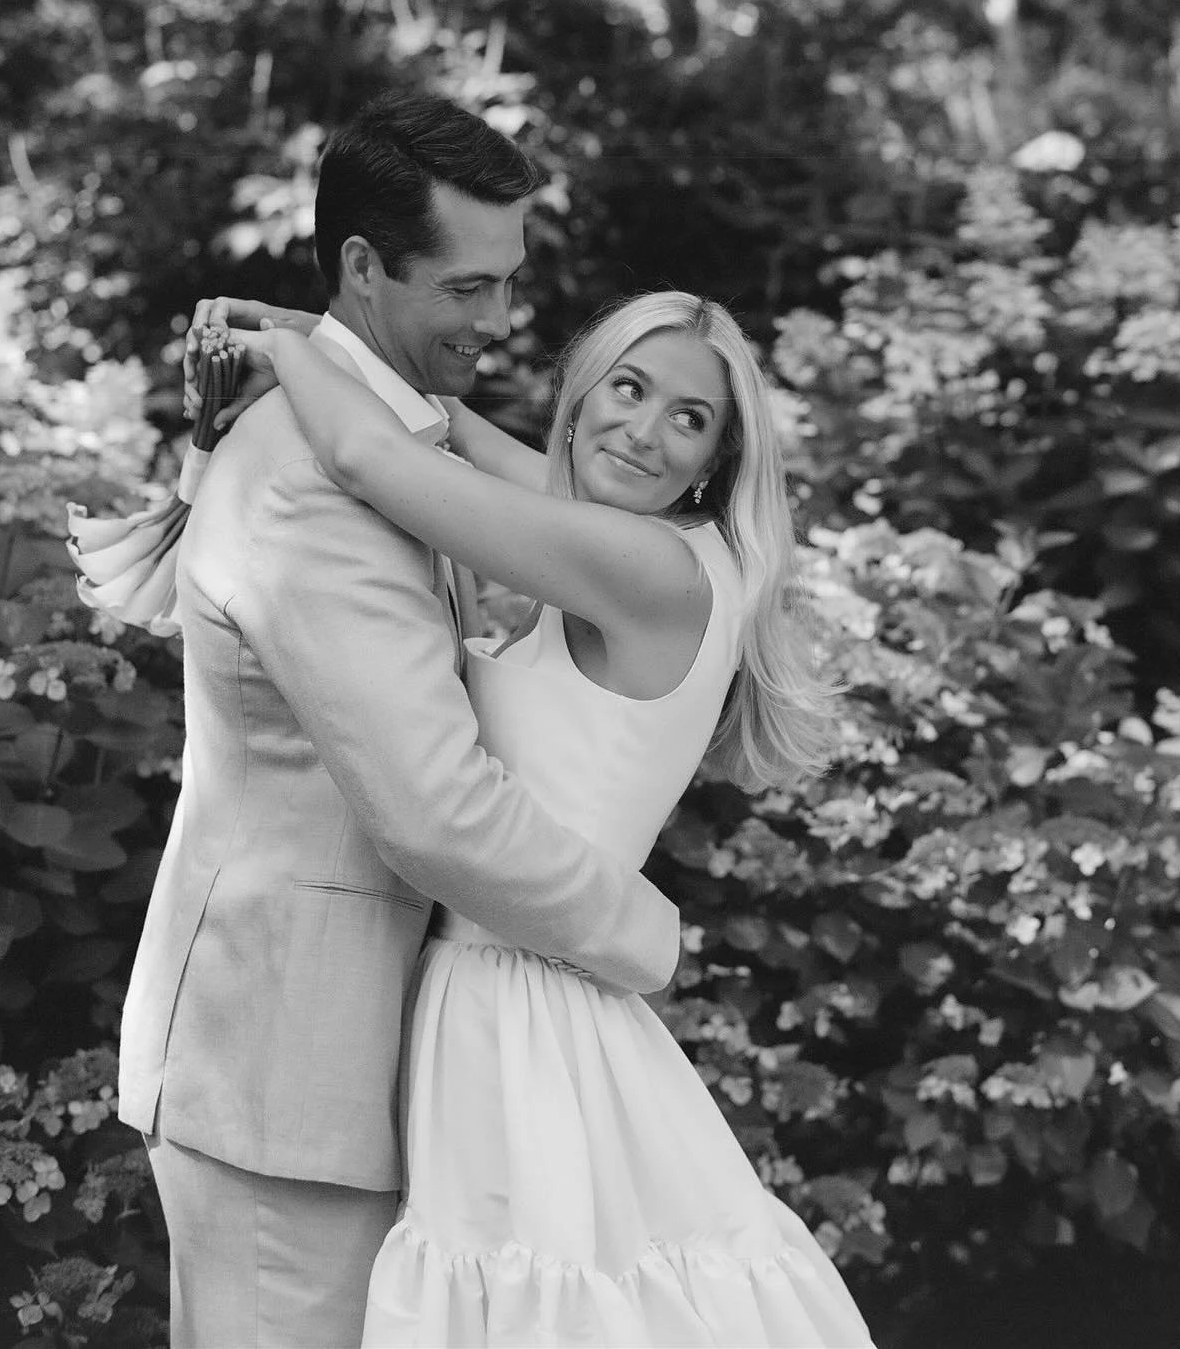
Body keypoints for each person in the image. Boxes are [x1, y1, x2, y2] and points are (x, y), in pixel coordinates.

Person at [196, 285, 877, 1347]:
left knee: (524, 1306)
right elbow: (467, 438)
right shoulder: (670, 543)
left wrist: (284, 354)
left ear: (716, 461)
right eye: (629, 389)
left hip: (519, 1008)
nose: (645, 431)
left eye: (688, 418)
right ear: (578, 399)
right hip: (546, 989)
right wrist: (327, 334)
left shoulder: (642, 565)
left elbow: (385, 463)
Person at [121, 92, 683, 1349]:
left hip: (347, 1061)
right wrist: (646, 938)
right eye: (468, 288)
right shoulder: (315, 483)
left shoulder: (384, 436)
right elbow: (436, 806)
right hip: (281, 1068)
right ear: (365, 269)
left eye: (511, 283)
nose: (500, 321)